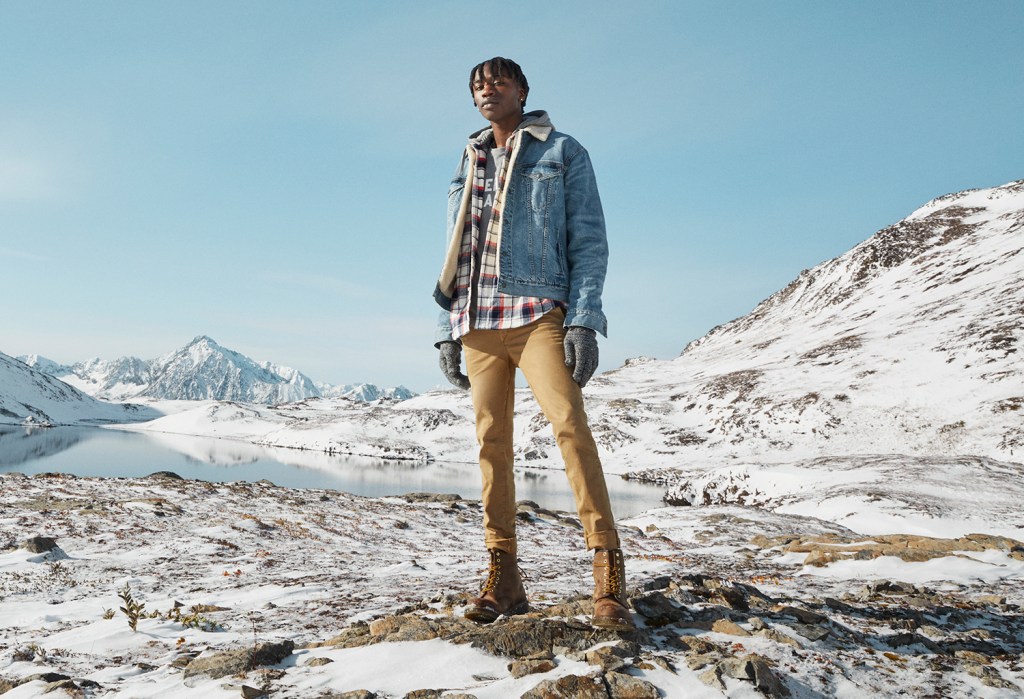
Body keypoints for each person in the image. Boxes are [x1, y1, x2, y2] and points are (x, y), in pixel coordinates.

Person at [431, 57, 633, 631]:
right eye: (476, 83)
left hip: (538, 310)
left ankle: (607, 572)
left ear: (523, 90)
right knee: (491, 442)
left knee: (569, 423)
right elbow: (454, 250)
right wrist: (445, 327)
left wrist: (583, 319)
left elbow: (589, 240)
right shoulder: (466, 161)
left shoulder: (562, 152)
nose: (485, 89)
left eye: (497, 80)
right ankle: (505, 575)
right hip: (476, 318)